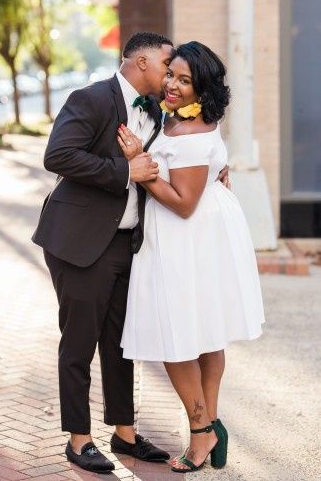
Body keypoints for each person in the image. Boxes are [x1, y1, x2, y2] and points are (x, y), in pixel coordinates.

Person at [118, 41, 265, 473]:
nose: (173, 85)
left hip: (185, 234)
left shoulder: (191, 134)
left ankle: (201, 431)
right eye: (171, 75)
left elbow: (182, 202)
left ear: (202, 90)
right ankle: (210, 424)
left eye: (185, 81)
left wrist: (140, 165)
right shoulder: (184, 119)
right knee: (201, 333)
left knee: (176, 338)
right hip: (202, 232)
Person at [32, 32, 175, 474]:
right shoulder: (92, 98)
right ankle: (79, 439)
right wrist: (122, 170)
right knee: (79, 343)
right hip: (80, 242)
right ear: (143, 62)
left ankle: (125, 435)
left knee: (121, 344)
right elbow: (58, 155)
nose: (171, 76)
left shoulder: (157, 111)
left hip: (127, 243)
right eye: (167, 66)